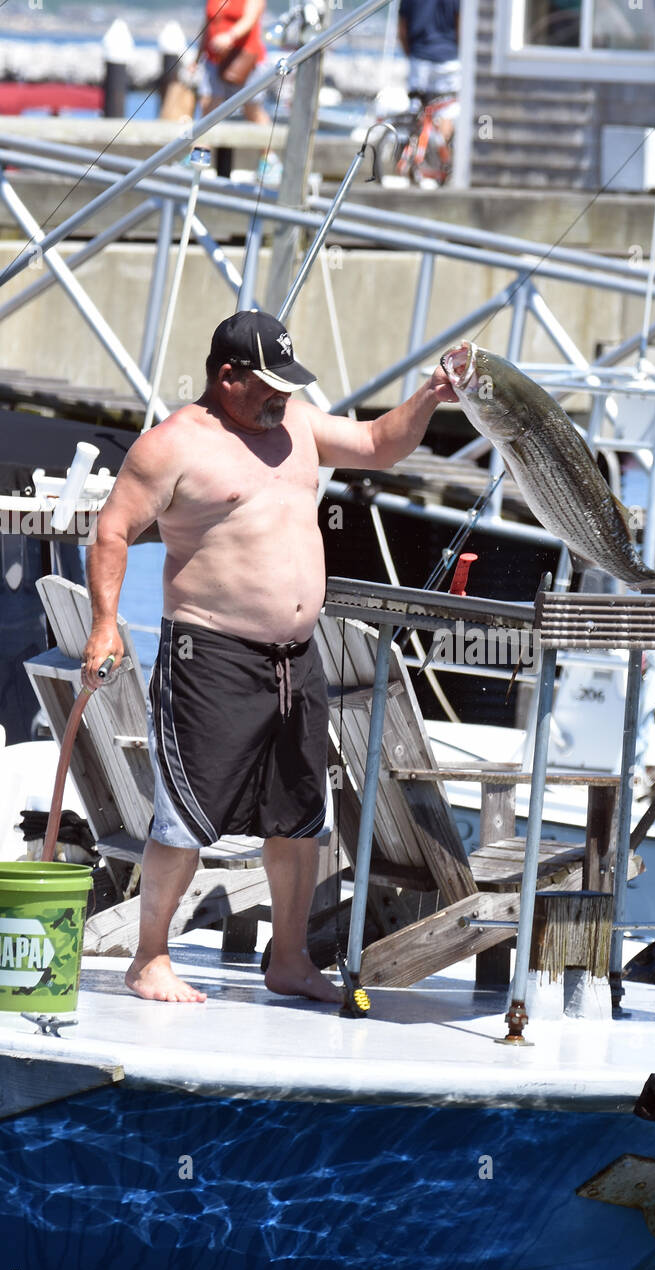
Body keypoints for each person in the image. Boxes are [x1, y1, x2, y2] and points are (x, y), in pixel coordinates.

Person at [82, 310, 457, 1005]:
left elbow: (379, 444)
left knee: (297, 816)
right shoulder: (174, 446)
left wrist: (430, 393)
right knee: (186, 815)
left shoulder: (300, 425)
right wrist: (105, 624)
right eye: (268, 384)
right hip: (210, 655)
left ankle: (287, 959)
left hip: (296, 656)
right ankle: (149, 957)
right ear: (228, 377)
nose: (281, 396)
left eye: (289, 383)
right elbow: (112, 531)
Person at [198, 0, 270, 128]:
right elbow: (207, 25)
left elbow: (250, 19)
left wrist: (230, 36)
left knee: (251, 108)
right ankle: (201, 147)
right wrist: (197, 57)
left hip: (245, 60)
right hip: (214, 59)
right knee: (208, 106)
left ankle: (269, 147)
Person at [398, 0, 461, 145]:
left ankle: (413, 158)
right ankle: (440, 157)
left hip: (420, 58)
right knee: (446, 112)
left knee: (416, 111)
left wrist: (411, 54)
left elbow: (402, 28)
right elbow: (460, 25)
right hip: (448, 58)